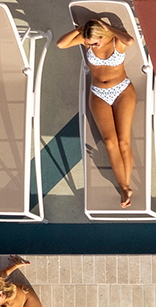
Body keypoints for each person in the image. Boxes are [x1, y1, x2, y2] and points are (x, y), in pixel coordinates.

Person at [58, 18, 136, 207]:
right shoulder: (88, 40)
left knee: (123, 142)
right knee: (110, 143)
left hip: (122, 91)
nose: (90, 45)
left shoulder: (117, 42)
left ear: (103, 35)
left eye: (94, 42)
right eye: (88, 42)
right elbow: (61, 44)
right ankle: (124, 187)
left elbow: (130, 41)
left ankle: (125, 189)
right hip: (99, 94)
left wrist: (107, 27)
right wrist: (81, 29)